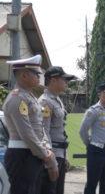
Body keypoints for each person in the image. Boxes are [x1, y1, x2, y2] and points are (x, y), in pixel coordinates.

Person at [2, 55, 59, 194]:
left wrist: (46, 149)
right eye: (35, 74)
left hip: (32, 154)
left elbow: (39, 127)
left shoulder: (29, 96)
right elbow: (26, 133)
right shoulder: (17, 98)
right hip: (22, 155)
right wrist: (46, 155)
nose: (39, 77)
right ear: (24, 75)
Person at [37, 66, 76, 194]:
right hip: (51, 155)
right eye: (64, 80)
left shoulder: (57, 99)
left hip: (60, 153)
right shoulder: (45, 101)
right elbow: (44, 131)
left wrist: (66, 156)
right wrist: (51, 159)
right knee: (49, 190)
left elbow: (61, 131)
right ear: (53, 80)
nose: (67, 83)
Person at [79, 83, 105, 194]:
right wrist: (90, 145)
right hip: (97, 151)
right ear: (99, 94)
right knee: (92, 184)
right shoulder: (93, 110)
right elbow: (82, 130)